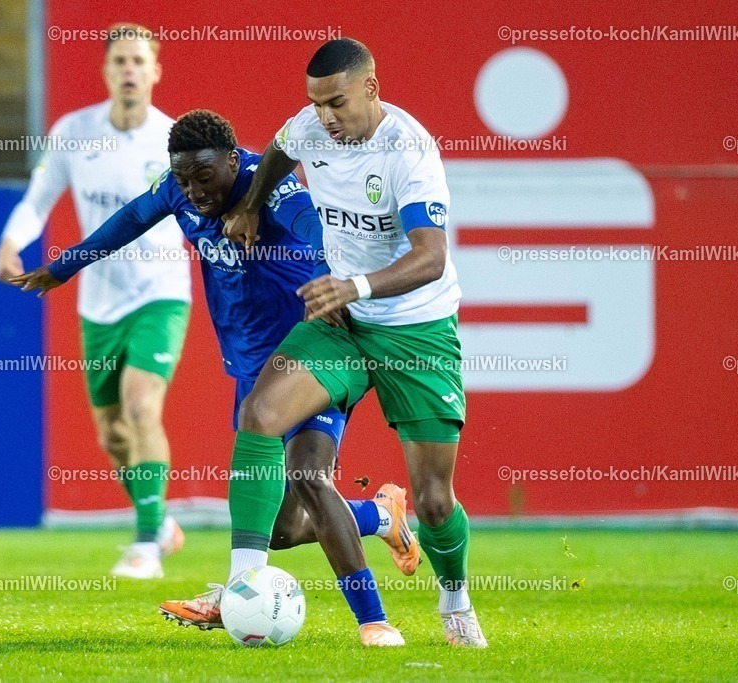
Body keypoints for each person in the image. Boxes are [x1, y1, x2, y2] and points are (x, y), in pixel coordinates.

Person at [10, 110, 418, 647]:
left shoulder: (271, 191)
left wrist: (332, 279)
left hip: (312, 356)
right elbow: (132, 217)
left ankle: (366, 621)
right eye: (183, 180)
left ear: (232, 161)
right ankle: (381, 515)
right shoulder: (179, 190)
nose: (194, 191)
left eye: (205, 178)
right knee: (281, 526)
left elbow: (317, 227)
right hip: (251, 367)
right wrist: (63, 268)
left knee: (311, 480)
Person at [220, 38, 487, 647]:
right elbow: (281, 152)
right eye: (316, 105)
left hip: (414, 330)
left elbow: (430, 258)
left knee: (435, 501)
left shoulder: (410, 153)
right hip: (342, 325)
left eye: (336, 103)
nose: (325, 118)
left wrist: (355, 286)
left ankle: (454, 599)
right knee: (260, 414)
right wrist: (254, 207)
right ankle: (243, 584)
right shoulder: (312, 129)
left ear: (371, 87)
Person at [0, 25, 191, 579]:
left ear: (155, 72)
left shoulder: (176, 141)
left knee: (140, 406)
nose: (129, 70)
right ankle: (161, 522)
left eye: (139, 61)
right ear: (106, 71)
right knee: (112, 433)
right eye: (119, 61)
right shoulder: (73, 133)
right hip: (98, 303)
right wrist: (12, 242)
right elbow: (38, 202)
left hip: (160, 295)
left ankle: (147, 544)